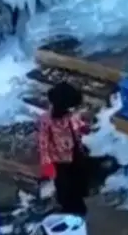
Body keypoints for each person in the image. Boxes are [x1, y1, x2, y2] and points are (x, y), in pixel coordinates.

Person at [38, 80, 91, 216]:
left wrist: (84, 127)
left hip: (75, 153)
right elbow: (43, 143)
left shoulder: (70, 116)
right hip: (59, 159)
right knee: (65, 187)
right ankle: (70, 209)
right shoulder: (46, 121)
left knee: (79, 179)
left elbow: (79, 127)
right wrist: (47, 164)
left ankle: (81, 199)